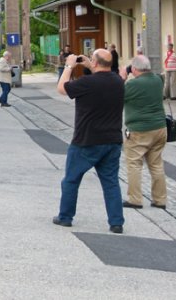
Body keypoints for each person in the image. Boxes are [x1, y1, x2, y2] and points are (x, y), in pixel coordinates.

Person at [53, 49, 125, 234]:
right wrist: (89, 64)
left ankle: (65, 217)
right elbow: (103, 79)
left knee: (71, 180)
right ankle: (116, 222)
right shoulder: (118, 81)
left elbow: (62, 88)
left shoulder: (87, 83)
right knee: (111, 182)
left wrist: (69, 65)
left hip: (86, 140)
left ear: (95, 62)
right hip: (112, 140)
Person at [119, 55, 168, 210]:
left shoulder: (133, 84)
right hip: (160, 128)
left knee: (134, 163)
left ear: (134, 69)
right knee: (156, 165)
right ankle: (160, 200)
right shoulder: (158, 80)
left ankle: (135, 199)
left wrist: (122, 77)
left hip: (139, 130)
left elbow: (117, 94)